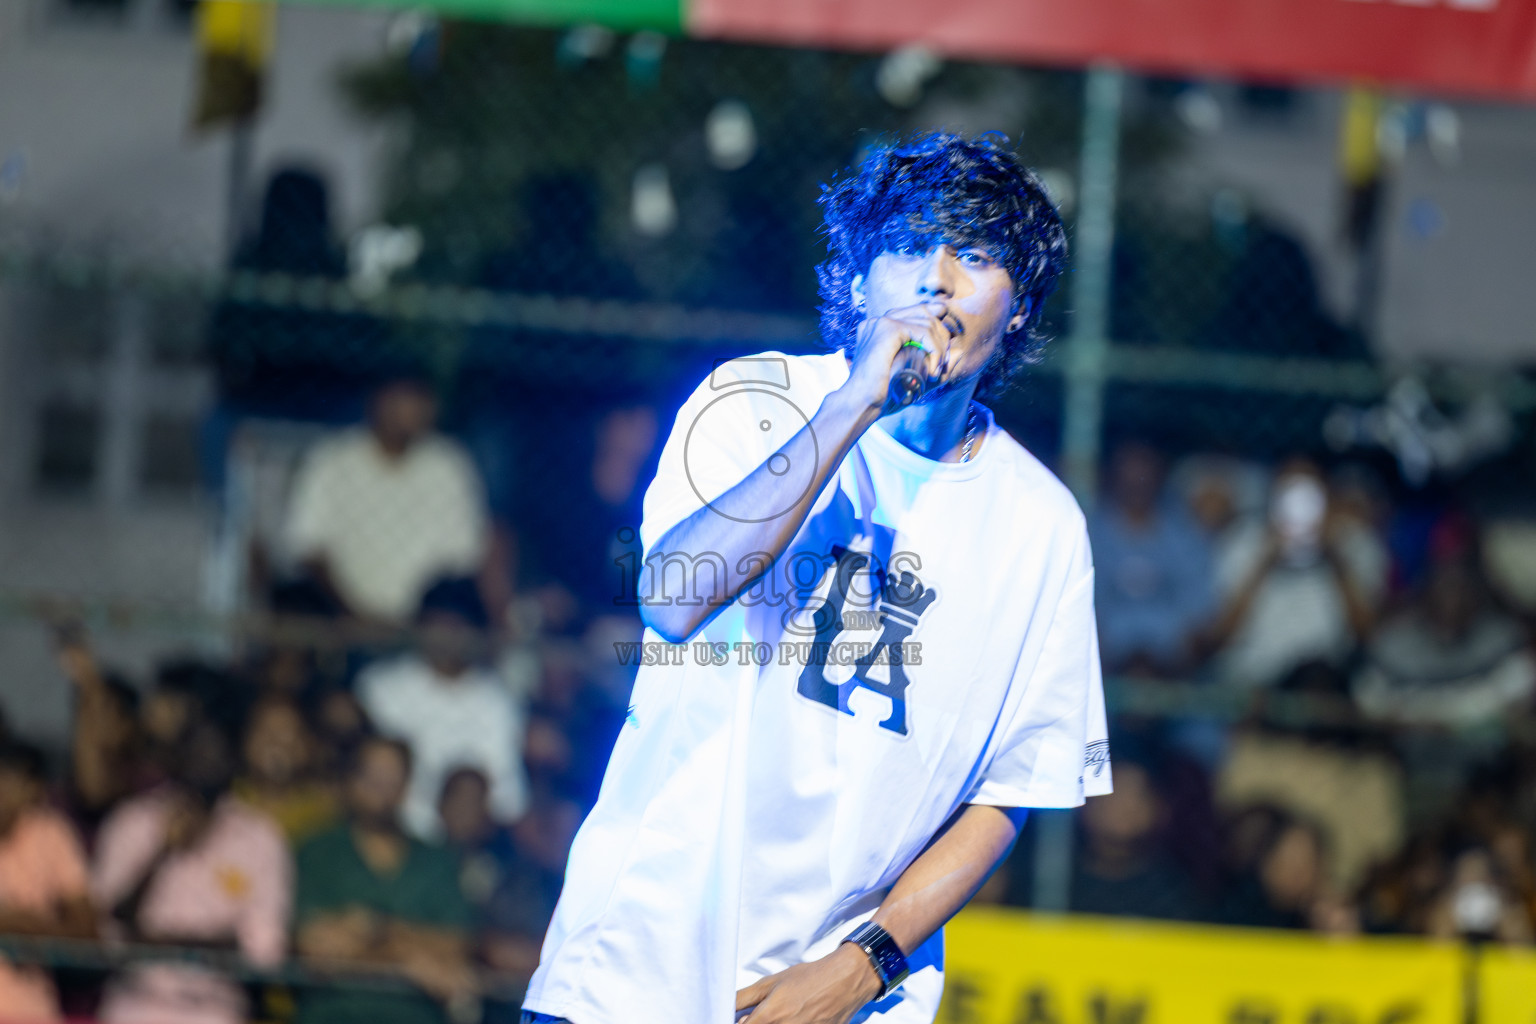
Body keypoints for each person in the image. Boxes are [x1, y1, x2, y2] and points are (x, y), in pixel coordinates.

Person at [523, 133, 1110, 1024]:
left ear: (1018, 307)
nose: (937, 281)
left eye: (977, 255)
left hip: (847, 998)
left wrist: (864, 965)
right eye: (910, 245)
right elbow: (674, 599)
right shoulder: (752, 401)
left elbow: (1008, 796)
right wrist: (855, 404)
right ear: (860, 277)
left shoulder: (1043, 526)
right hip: (637, 968)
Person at [92, 719, 291, 1024]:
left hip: (215, 1009)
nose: (206, 761)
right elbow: (108, 925)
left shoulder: (259, 837)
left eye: (216, 752)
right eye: (196, 750)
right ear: (175, 756)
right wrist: (161, 853)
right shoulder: (133, 822)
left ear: (235, 759)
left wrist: (165, 943)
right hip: (134, 1003)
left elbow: (264, 947)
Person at [281, 369, 495, 625]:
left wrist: (417, 622)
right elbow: (308, 549)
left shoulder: (449, 464)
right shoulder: (331, 459)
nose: (420, 411)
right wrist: (352, 615)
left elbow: (461, 561)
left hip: (420, 627)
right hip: (340, 618)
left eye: (425, 402)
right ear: (379, 402)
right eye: (407, 399)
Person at [293, 735, 476, 1024]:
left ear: (407, 785)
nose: (383, 788)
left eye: (394, 777)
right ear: (350, 781)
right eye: (373, 776)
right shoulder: (318, 851)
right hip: (334, 1014)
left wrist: (372, 928)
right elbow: (315, 948)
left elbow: (454, 944)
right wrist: (410, 962)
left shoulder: (436, 860)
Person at [357, 578, 529, 838]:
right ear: (418, 627)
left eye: (455, 628)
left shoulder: (498, 702)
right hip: (394, 836)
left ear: (474, 633)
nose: (445, 638)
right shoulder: (380, 689)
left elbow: (508, 802)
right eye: (436, 626)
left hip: (471, 843)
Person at [1203, 457, 1387, 687]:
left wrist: (1336, 558)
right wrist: (1263, 563)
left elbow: (1367, 635)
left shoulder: (1356, 543)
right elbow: (1220, 637)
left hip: (1328, 678)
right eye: (1289, 493)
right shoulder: (1242, 540)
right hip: (1256, 677)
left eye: (1309, 495)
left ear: (1327, 497)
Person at [1089, 441, 1215, 676]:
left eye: (1145, 468)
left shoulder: (1185, 534)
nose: (1137, 480)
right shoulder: (1091, 531)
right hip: (1104, 666)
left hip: (1172, 669)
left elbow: (1200, 620)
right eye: (1129, 468)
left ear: (1160, 474)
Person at [0, 740, 96, 1021]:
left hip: (30, 1009)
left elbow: (87, 930)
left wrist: (17, 923)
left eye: (12, 779)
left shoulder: (50, 832)